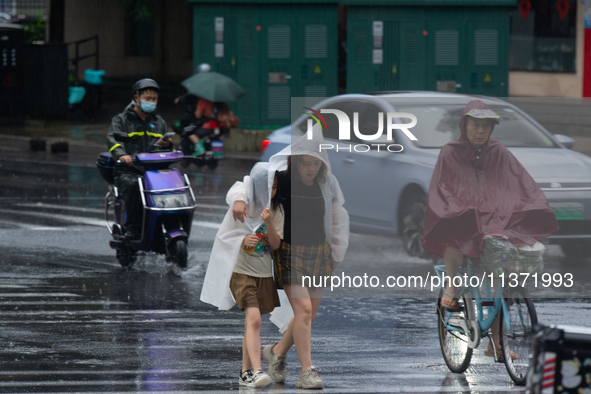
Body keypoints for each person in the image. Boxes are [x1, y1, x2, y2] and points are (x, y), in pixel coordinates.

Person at [423, 100, 558, 359]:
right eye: (476, 125)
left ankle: (496, 342)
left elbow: (519, 184)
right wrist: (460, 208)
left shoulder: (499, 151)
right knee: (455, 231)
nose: (481, 131)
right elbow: (444, 189)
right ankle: (451, 286)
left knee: (500, 283)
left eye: (486, 126)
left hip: (493, 222)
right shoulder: (450, 152)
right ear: (465, 125)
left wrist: (533, 204)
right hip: (463, 219)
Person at [229, 130, 350, 389]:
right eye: (306, 162)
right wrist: (239, 198)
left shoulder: (326, 182)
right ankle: (307, 371)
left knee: (309, 315)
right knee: (304, 310)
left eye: (316, 163)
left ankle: (277, 351)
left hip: (318, 252)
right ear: (295, 161)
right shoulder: (282, 180)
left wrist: (337, 252)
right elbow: (250, 181)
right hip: (288, 252)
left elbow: (338, 215)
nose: (310, 168)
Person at [200, 162, 283, 388]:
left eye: (275, 187)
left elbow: (276, 244)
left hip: (263, 274)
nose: (271, 192)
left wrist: (269, 223)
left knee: (252, 322)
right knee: (254, 319)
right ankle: (257, 371)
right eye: (268, 187)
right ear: (256, 187)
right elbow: (226, 236)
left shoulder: (276, 211)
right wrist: (243, 241)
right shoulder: (242, 205)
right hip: (241, 272)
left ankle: (245, 373)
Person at [106, 78, 172, 239]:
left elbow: (167, 149)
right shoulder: (121, 120)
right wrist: (122, 155)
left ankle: (170, 225)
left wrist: (168, 145)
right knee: (134, 185)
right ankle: (133, 227)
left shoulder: (159, 122)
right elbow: (112, 139)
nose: (151, 102)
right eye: (147, 98)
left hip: (152, 171)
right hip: (128, 171)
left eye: (154, 99)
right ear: (136, 98)